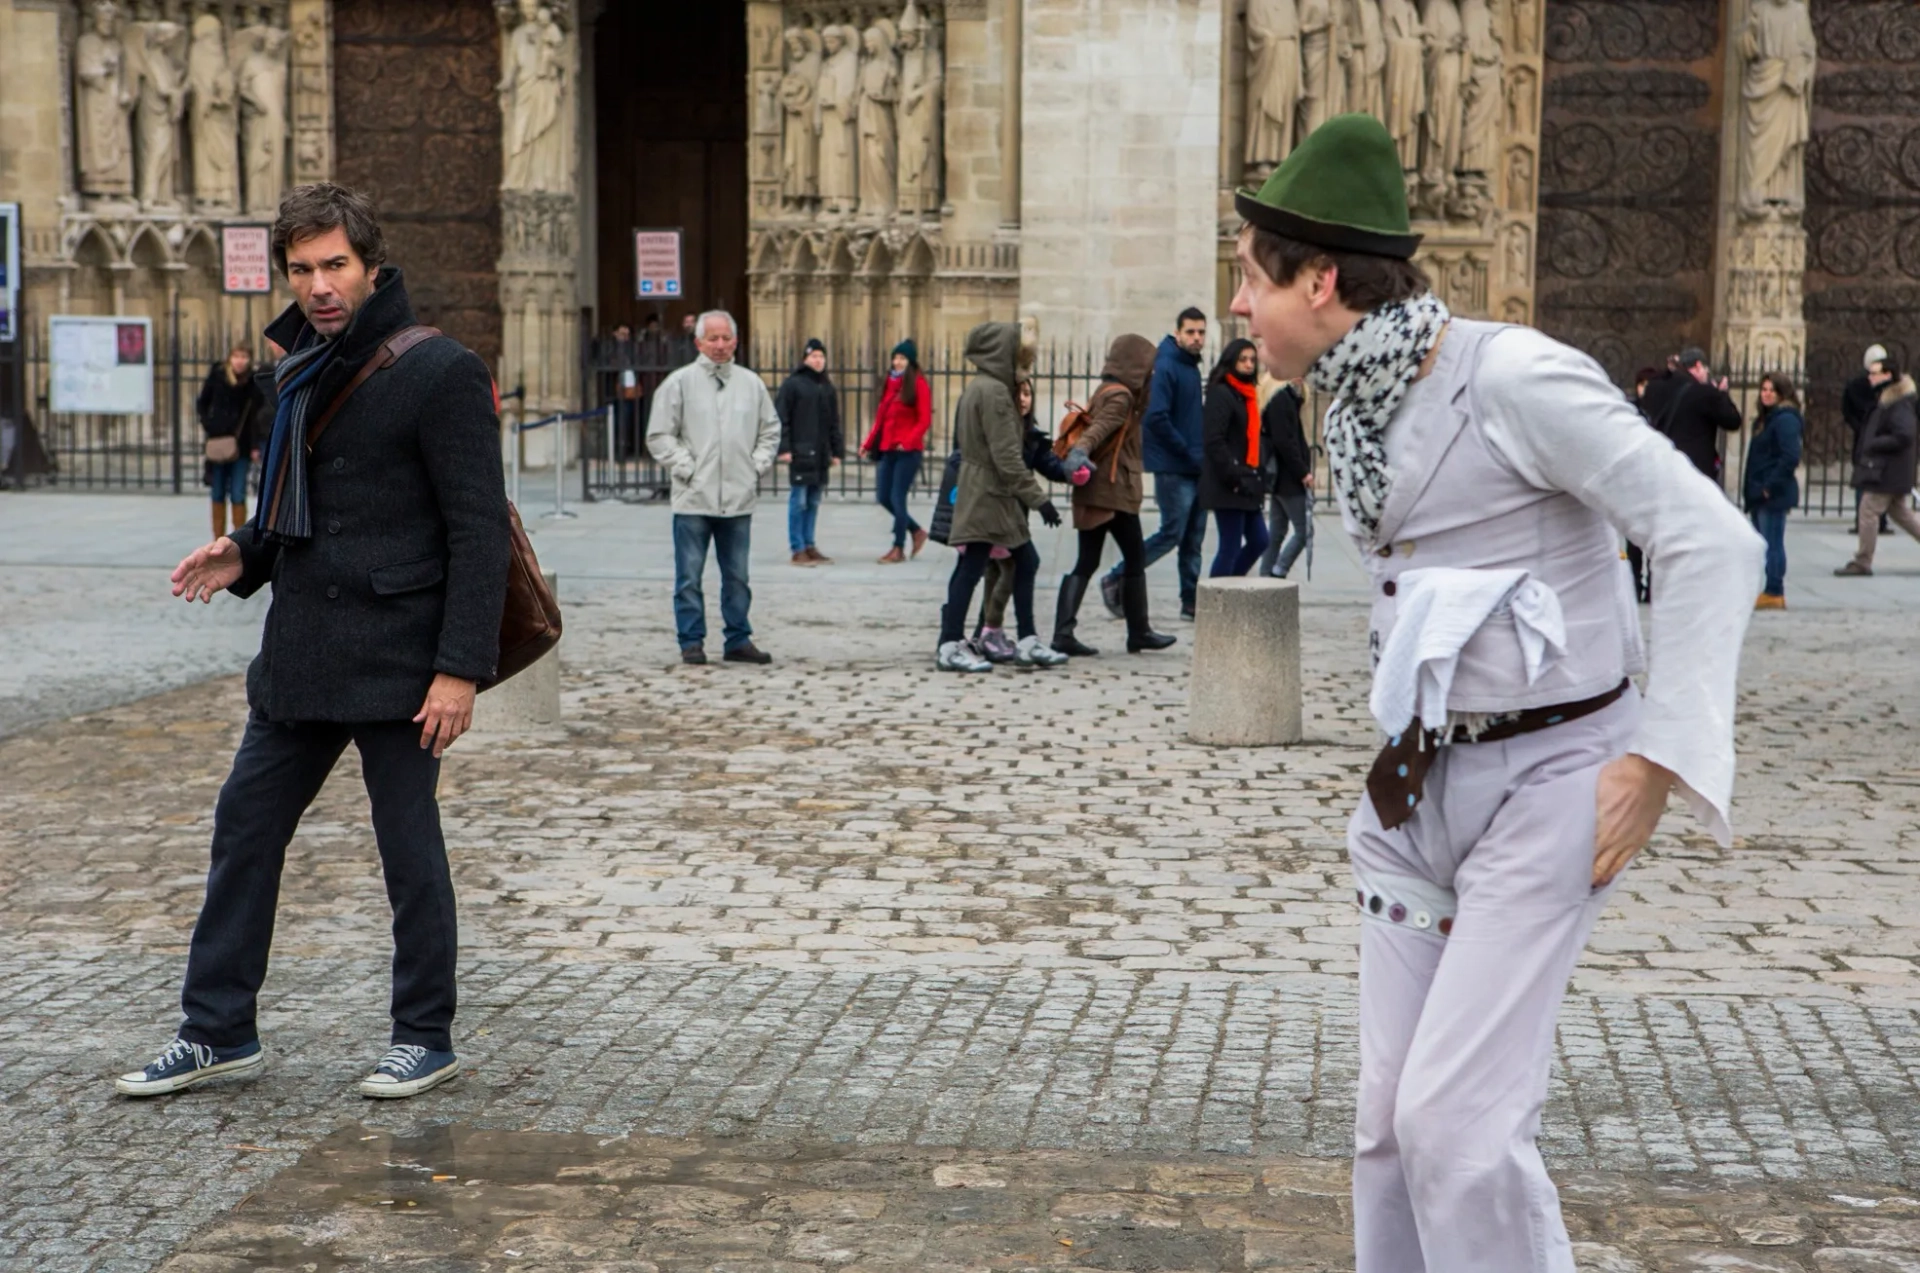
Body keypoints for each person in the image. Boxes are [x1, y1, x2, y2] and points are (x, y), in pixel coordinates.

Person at [1231, 114, 1759, 1273]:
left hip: (1552, 784)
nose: (1234, 302)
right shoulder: (1355, 398)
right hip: (1415, 789)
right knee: (1385, 1130)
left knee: (1460, 1131)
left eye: (1247, 274)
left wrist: (1657, 762)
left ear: (1320, 280)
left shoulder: (1513, 376)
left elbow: (1711, 541)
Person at [123, 181, 513, 1102]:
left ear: (370, 265)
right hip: (301, 653)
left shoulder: (441, 370)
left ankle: (425, 1032)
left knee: (408, 850)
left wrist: (459, 669)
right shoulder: (294, 367)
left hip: (402, 659)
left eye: (334, 264)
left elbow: (478, 532)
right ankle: (217, 1029)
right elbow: (296, 512)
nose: (319, 284)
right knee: (244, 829)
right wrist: (243, 549)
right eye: (302, 268)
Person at [647, 310, 780, 664]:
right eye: (713, 339)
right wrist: (684, 466)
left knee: (737, 577)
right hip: (694, 498)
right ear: (699, 342)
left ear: (735, 341)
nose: (720, 345)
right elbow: (659, 434)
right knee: (688, 578)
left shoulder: (751, 383)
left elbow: (770, 430)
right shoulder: (679, 383)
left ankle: (738, 638)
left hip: (738, 498)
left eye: (726, 338)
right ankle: (691, 640)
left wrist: (756, 466)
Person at [936, 322, 1070, 672]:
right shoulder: (994, 392)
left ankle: (1026, 640)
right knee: (973, 566)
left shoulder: (980, 387)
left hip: (990, 492)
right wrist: (1040, 500)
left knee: (1024, 561)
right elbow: (1006, 456)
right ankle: (950, 645)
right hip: (988, 493)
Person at [1052, 334, 1177, 657]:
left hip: (1101, 491)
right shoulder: (1120, 397)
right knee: (1133, 558)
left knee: (1090, 560)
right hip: (1112, 491)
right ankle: (1138, 632)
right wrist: (1080, 451)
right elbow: (1098, 430)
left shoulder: (1109, 389)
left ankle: (1066, 632)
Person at [1100, 307, 1209, 620]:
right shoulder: (1166, 364)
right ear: (1178, 333)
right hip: (1175, 467)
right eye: (1190, 332)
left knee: (1193, 539)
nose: (1197, 338)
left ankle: (1191, 601)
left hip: (1195, 465)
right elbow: (1156, 416)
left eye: (1201, 332)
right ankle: (1117, 576)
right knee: (1171, 533)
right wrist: (1187, 451)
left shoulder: (1189, 366)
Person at [973, 373, 1090, 662]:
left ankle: (982, 635)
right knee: (1020, 564)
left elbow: (1045, 462)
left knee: (996, 571)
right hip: (996, 513)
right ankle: (1010, 635)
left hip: (1014, 516)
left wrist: (1068, 472)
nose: (1024, 399)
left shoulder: (1029, 433)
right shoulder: (999, 431)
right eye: (1019, 393)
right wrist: (1041, 502)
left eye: (1028, 393)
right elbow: (1010, 472)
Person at [1835, 359, 1920, 577]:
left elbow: (1905, 434)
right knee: (1901, 514)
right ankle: (1863, 560)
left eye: (1874, 373)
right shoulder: (1887, 399)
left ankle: (1863, 561)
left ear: (1888, 375)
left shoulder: (1899, 403)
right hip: (1888, 469)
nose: (1870, 378)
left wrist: (1875, 443)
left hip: (1887, 470)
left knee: (1868, 510)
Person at [1199, 338, 1274, 576]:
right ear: (1231, 361)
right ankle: (1217, 600)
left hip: (1248, 481)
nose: (1249, 364)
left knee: (1260, 540)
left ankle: (1231, 588)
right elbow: (1214, 440)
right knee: (1229, 546)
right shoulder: (1221, 393)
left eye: (1252, 360)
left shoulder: (1249, 395)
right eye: (1243, 359)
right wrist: (1233, 475)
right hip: (1229, 482)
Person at [775, 337, 844, 566]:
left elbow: (834, 421)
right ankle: (797, 548)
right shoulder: (792, 384)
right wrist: (784, 448)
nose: (818, 360)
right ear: (806, 358)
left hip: (821, 452)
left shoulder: (827, 387)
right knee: (799, 500)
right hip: (800, 450)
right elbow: (781, 418)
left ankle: (809, 544)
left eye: (821, 356)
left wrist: (837, 451)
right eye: (814, 356)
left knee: (813, 501)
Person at [864, 339, 933, 562]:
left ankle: (898, 547)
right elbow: (881, 419)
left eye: (902, 358)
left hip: (907, 451)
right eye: (895, 358)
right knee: (883, 496)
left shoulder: (919, 385)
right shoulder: (890, 385)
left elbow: (924, 420)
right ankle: (917, 531)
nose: (897, 362)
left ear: (910, 361)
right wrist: (867, 444)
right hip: (888, 448)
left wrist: (909, 440)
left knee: (897, 497)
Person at [196, 343, 268, 543]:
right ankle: (217, 539)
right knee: (217, 490)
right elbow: (202, 402)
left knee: (238, 491)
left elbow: (255, 416)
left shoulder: (252, 383)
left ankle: (237, 539)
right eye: (236, 356)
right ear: (230, 358)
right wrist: (209, 425)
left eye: (244, 357)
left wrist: (254, 445)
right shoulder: (217, 376)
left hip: (241, 445)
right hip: (218, 442)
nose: (240, 361)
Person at [1743, 372, 1803, 609]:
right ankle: (1770, 587)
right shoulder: (1768, 418)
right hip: (1760, 488)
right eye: (1764, 389)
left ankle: (1775, 589)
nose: (1766, 394)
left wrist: (1769, 485)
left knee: (1773, 541)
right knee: (1765, 541)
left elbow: (1790, 456)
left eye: (1771, 390)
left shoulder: (1785, 419)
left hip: (1772, 491)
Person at [1653, 347, 1741, 479]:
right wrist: (1722, 394)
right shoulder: (1705, 393)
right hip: (1696, 469)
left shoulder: (1666, 390)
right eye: (1706, 369)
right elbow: (1733, 421)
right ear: (1699, 366)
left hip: (1669, 464)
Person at [1260, 377, 1316, 579]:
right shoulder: (1281, 399)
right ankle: (1277, 571)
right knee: (1304, 531)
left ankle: (1267, 575)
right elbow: (1285, 442)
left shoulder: (1286, 397)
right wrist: (1303, 472)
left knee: (1277, 530)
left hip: (1282, 478)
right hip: (1288, 479)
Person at [1843, 344, 1891, 535]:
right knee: (1872, 482)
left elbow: (1847, 411)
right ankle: (1877, 520)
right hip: (1874, 437)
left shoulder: (1856, 385)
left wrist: (1860, 428)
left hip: (1865, 437)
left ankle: (1866, 520)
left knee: (1867, 481)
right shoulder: (1881, 386)